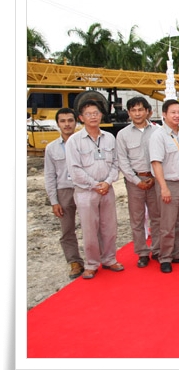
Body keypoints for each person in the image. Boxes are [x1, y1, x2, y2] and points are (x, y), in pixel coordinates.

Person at [65, 99, 122, 279]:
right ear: (81, 118)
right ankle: (91, 263)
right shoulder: (74, 141)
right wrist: (94, 185)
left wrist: (107, 182)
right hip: (86, 191)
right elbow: (74, 169)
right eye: (88, 114)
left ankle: (109, 258)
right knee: (89, 229)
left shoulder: (109, 137)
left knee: (109, 226)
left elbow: (115, 163)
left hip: (107, 189)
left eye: (96, 113)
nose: (93, 117)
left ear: (101, 115)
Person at [149, 99, 179, 273]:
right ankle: (165, 257)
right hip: (168, 184)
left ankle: (178, 253)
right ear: (164, 114)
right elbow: (156, 163)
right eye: (173, 112)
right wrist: (163, 187)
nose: (177, 115)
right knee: (167, 224)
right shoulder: (158, 135)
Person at [115, 96, 161, 268]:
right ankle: (142, 253)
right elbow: (122, 161)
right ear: (129, 113)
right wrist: (136, 180)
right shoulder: (123, 135)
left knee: (157, 217)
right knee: (137, 219)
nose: (137, 113)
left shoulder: (158, 131)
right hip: (135, 182)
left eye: (140, 109)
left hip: (155, 179)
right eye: (133, 110)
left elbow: (162, 156)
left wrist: (156, 178)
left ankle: (157, 249)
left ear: (148, 111)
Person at [44, 107, 84, 279]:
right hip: (64, 191)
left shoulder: (84, 143)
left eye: (70, 120)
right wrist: (54, 201)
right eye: (63, 121)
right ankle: (74, 262)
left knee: (92, 226)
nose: (67, 124)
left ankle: (95, 259)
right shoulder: (51, 148)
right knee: (67, 230)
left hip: (84, 188)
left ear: (76, 121)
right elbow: (49, 175)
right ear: (58, 124)